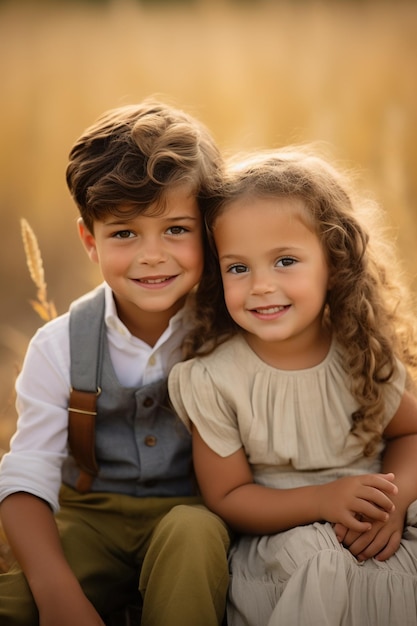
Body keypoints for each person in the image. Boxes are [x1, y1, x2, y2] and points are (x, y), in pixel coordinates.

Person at [0, 99, 231, 626]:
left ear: (210, 231)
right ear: (90, 240)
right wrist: (57, 593)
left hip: (191, 517)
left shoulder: (229, 332)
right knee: (16, 604)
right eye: (124, 232)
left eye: (176, 228)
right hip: (88, 522)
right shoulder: (58, 346)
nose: (153, 254)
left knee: (193, 537)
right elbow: (27, 477)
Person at [168, 146, 417, 625]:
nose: (261, 285)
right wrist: (323, 500)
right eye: (239, 267)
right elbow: (228, 496)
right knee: (321, 562)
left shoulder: (360, 353)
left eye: (285, 261)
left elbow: (410, 433)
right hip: (289, 543)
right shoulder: (217, 379)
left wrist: (396, 500)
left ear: (335, 263)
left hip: (375, 528)